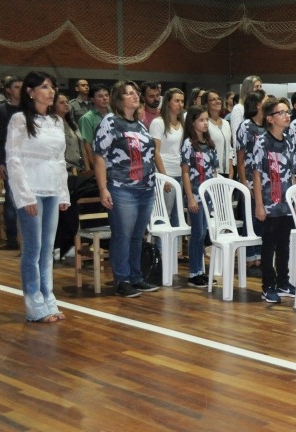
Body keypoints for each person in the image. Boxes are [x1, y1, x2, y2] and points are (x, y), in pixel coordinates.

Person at [5, 71, 70, 323]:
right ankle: (34, 305)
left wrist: (63, 192)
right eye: (44, 87)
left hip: (52, 190)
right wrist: (25, 196)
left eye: (52, 86)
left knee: (47, 250)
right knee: (32, 250)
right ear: (30, 92)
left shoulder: (56, 121)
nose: (51, 91)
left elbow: (60, 160)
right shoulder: (19, 120)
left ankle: (48, 299)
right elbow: (14, 159)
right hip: (31, 191)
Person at [93, 80, 159, 298]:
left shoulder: (140, 124)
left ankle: (136, 277)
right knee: (123, 234)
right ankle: (121, 279)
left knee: (137, 235)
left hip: (145, 188)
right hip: (122, 188)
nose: (135, 96)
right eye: (128, 93)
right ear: (118, 99)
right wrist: (103, 189)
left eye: (135, 92)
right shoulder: (110, 122)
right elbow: (100, 156)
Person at [252, 97, 296, 303]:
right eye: (281, 113)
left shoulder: (289, 141)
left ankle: (283, 282)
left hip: (284, 203)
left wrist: (294, 199)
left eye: (287, 112)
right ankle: (268, 285)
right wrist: (259, 205)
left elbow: (290, 173)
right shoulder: (261, 141)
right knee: (269, 245)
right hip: (268, 202)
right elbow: (255, 173)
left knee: (284, 244)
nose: (286, 115)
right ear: (270, 119)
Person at [180, 105, 218, 289]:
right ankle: (193, 272)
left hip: (209, 195)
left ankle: (200, 270)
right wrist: (190, 198)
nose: (205, 123)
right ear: (192, 122)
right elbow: (185, 173)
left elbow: (214, 171)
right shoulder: (188, 144)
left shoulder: (210, 144)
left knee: (203, 233)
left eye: (206, 120)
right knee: (197, 233)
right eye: (201, 120)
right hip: (196, 194)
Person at [0, 75, 23, 249]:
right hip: (9, 160)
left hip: (28, 160)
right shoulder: (2, 110)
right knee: (11, 198)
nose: (20, 90)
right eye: (17, 87)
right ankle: (11, 237)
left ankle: (26, 235)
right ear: (9, 90)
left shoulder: (29, 108)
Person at [236, 90, 269, 270]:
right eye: (265, 100)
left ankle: (261, 254)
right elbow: (240, 158)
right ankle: (250, 255)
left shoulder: (267, 125)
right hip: (249, 177)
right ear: (257, 105)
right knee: (250, 218)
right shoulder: (246, 126)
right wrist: (243, 183)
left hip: (265, 179)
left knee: (262, 218)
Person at [53, 92, 86, 261]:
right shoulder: (52, 124)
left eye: (67, 102)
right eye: (62, 102)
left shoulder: (71, 123)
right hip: (62, 171)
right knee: (64, 211)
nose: (66, 105)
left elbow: (81, 146)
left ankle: (71, 243)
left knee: (75, 210)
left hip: (76, 170)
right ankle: (58, 245)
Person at [149, 88, 186, 228]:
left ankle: (175, 250)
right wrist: (164, 177)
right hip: (165, 173)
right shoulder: (158, 123)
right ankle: (161, 249)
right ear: (168, 103)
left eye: (182, 101)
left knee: (178, 215)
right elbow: (155, 152)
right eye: (177, 101)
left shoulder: (183, 123)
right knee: (164, 215)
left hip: (180, 172)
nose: (180, 104)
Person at [76, 83, 110, 171]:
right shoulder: (87, 119)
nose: (105, 98)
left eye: (106, 95)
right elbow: (87, 146)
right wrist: (95, 169)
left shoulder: (115, 115)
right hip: (100, 163)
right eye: (100, 96)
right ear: (92, 99)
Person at [205, 90, 233, 177]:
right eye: (213, 99)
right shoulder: (205, 124)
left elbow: (229, 149)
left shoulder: (226, 123)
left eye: (219, 99)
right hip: (212, 172)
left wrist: (231, 172)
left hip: (227, 172)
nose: (218, 101)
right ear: (206, 104)